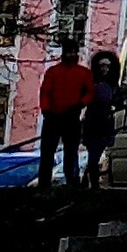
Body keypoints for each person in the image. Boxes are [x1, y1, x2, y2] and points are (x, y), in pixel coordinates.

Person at [37, 34, 92, 197]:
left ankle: (71, 181)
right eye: (69, 52)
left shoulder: (82, 73)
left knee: (70, 151)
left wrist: (80, 104)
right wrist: (46, 110)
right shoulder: (54, 72)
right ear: (64, 53)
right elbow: (45, 92)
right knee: (48, 152)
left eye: (74, 52)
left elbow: (89, 92)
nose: (71, 55)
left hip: (70, 116)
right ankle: (44, 182)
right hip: (55, 117)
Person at [82, 47, 122, 192]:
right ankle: (92, 184)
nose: (105, 69)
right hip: (93, 122)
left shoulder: (113, 86)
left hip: (105, 122)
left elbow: (118, 101)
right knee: (94, 154)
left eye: (107, 66)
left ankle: (88, 181)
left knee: (97, 155)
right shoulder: (92, 84)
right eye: (102, 66)